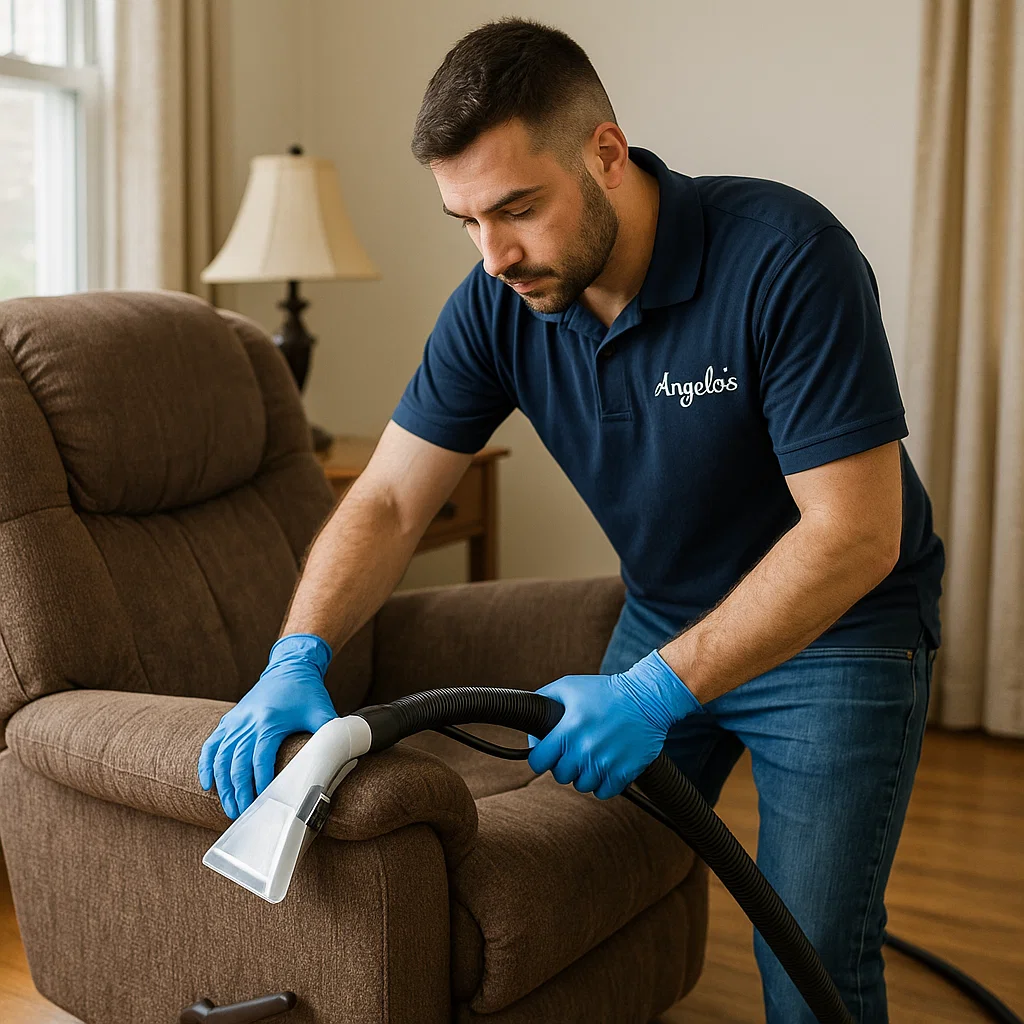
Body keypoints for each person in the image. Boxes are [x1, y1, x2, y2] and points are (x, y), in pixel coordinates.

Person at [199, 17, 944, 1024]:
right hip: (666, 613)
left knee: (809, 953)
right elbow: (384, 498)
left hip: (836, 637)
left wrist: (649, 690)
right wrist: (300, 649)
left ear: (605, 152)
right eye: (464, 220)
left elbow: (855, 534)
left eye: (517, 207)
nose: (495, 252)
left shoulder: (784, 256)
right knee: (584, 881)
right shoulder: (498, 302)